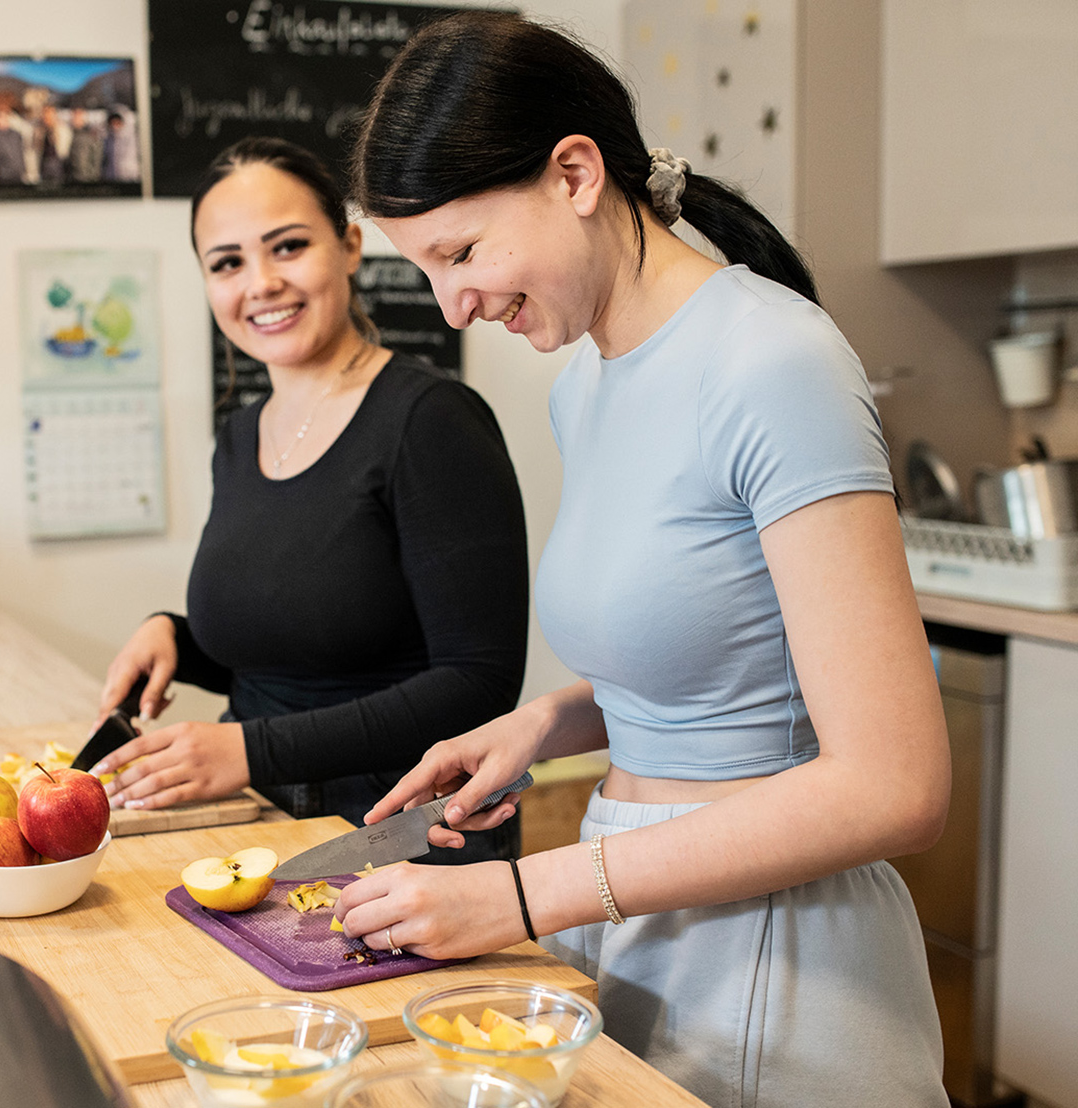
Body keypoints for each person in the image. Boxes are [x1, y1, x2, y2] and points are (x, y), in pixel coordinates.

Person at [331, 12, 952, 1108]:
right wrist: (545, 724)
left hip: (778, 961)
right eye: (423, 268)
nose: (451, 305)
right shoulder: (587, 383)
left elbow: (895, 786)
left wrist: (529, 894)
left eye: (460, 254)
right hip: (635, 917)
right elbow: (721, 650)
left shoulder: (772, 361)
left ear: (575, 174)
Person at [91, 137, 530, 864]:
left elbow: (479, 683)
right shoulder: (240, 437)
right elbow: (297, 649)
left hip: (405, 837)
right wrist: (175, 637)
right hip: (263, 829)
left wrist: (250, 751)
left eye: (288, 247)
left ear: (349, 248)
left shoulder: (430, 420)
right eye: (227, 263)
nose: (260, 283)